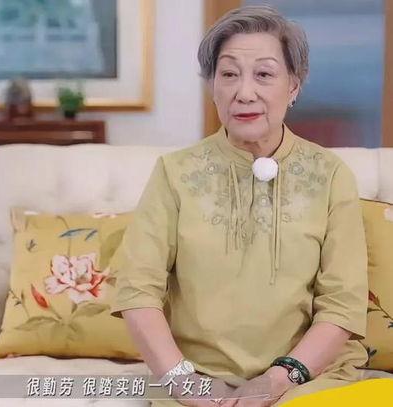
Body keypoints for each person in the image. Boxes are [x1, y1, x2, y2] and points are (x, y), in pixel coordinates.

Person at [110, 5, 369, 407]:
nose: (244, 92)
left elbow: (343, 304)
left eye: (264, 74)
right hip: (196, 378)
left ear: (294, 85)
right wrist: (185, 382)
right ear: (212, 86)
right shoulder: (174, 173)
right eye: (229, 74)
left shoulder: (330, 175)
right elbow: (137, 289)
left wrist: (279, 379)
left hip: (305, 377)